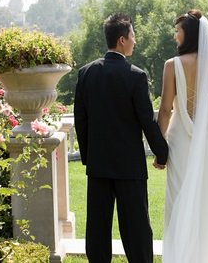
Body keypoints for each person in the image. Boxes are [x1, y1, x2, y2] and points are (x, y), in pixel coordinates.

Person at [73, 13, 168, 263]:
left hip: (99, 164)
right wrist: (162, 152)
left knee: (97, 227)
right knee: (136, 227)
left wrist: (88, 157)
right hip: (130, 166)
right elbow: (146, 119)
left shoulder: (86, 73)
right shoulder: (136, 75)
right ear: (123, 39)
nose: (135, 41)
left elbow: (80, 121)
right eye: (133, 36)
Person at [156, 9, 208, 262]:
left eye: (178, 30)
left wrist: (159, 149)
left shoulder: (172, 65)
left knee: (178, 199)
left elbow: (165, 110)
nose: (175, 35)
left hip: (179, 144)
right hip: (207, 143)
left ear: (188, 34)